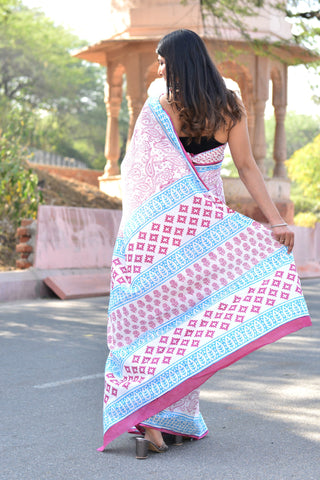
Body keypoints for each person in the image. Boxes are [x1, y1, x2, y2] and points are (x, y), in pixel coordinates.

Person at [98, 29, 311, 459]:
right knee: (188, 327)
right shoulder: (229, 107)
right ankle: (170, 420)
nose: (158, 69)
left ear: (177, 63)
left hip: (153, 238)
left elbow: (139, 173)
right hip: (201, 240)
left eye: (162, 61)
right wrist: (274, 221)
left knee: (141, 329)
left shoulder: (160, 104)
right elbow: (248, 167)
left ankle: (152, 422)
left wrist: (133, 240)